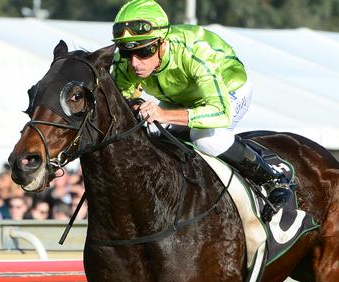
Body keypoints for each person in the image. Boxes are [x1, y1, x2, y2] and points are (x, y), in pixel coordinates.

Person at [110, 0, 291, 220]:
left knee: (205, 139)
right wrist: (137, 104)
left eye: (144, 52)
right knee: (147, 132)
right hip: (181, 98)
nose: (135, 63)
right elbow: (125, 98)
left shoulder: (194, 52)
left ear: (162, 43)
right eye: (128, 53)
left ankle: (271, 179)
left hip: (228, 91)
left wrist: (163, 114)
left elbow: (219, 112)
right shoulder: (125, 60)